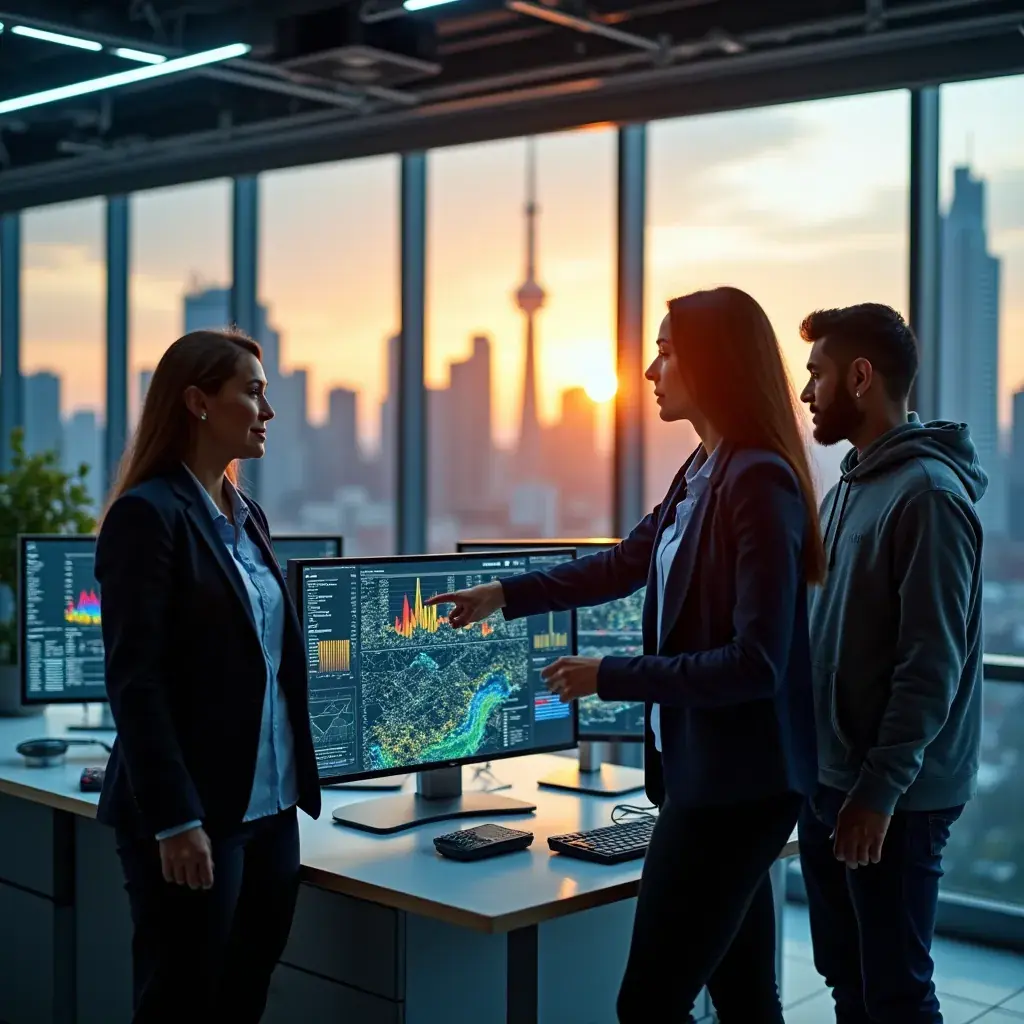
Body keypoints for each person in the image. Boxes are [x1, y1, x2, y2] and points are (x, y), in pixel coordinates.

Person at [427, 286, 823, 1023]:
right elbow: (621, 564)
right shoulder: (705, 470)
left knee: (647, 1003)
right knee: (742, 996)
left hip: (735, 790)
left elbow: (755, 664)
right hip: (708, 780)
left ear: (712, 363)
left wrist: (609, 675)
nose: (648, 370)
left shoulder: (758, 481)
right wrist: (503, 595)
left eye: (667, 352)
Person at [94, 329, 322, 1023]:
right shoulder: (148, 516)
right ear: (197, 402)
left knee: (244, 998)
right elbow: (138, 682)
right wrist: (176, 820)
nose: (267, 411)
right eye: (252, 392)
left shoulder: (244, 514)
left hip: (271, 812)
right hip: (195, 818)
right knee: (181, 1004)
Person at [798, 303, 986, 1024]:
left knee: (896, 995)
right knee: (848, 978)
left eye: (817, 374)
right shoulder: (849, 486)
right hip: (834, 779)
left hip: (893, 797)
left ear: (861, 376)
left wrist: (877, 793)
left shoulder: (930, 496)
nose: (806, 391)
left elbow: (930, 662)